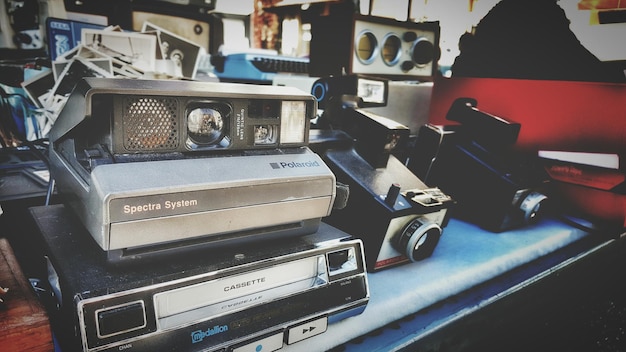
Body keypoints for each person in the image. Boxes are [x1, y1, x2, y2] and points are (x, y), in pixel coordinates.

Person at [451, 0, 626, 83]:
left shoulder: (501, 13)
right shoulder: (540, 12)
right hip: (520, 129)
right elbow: (582, 65)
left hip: (488, 129)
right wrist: (617, 79)